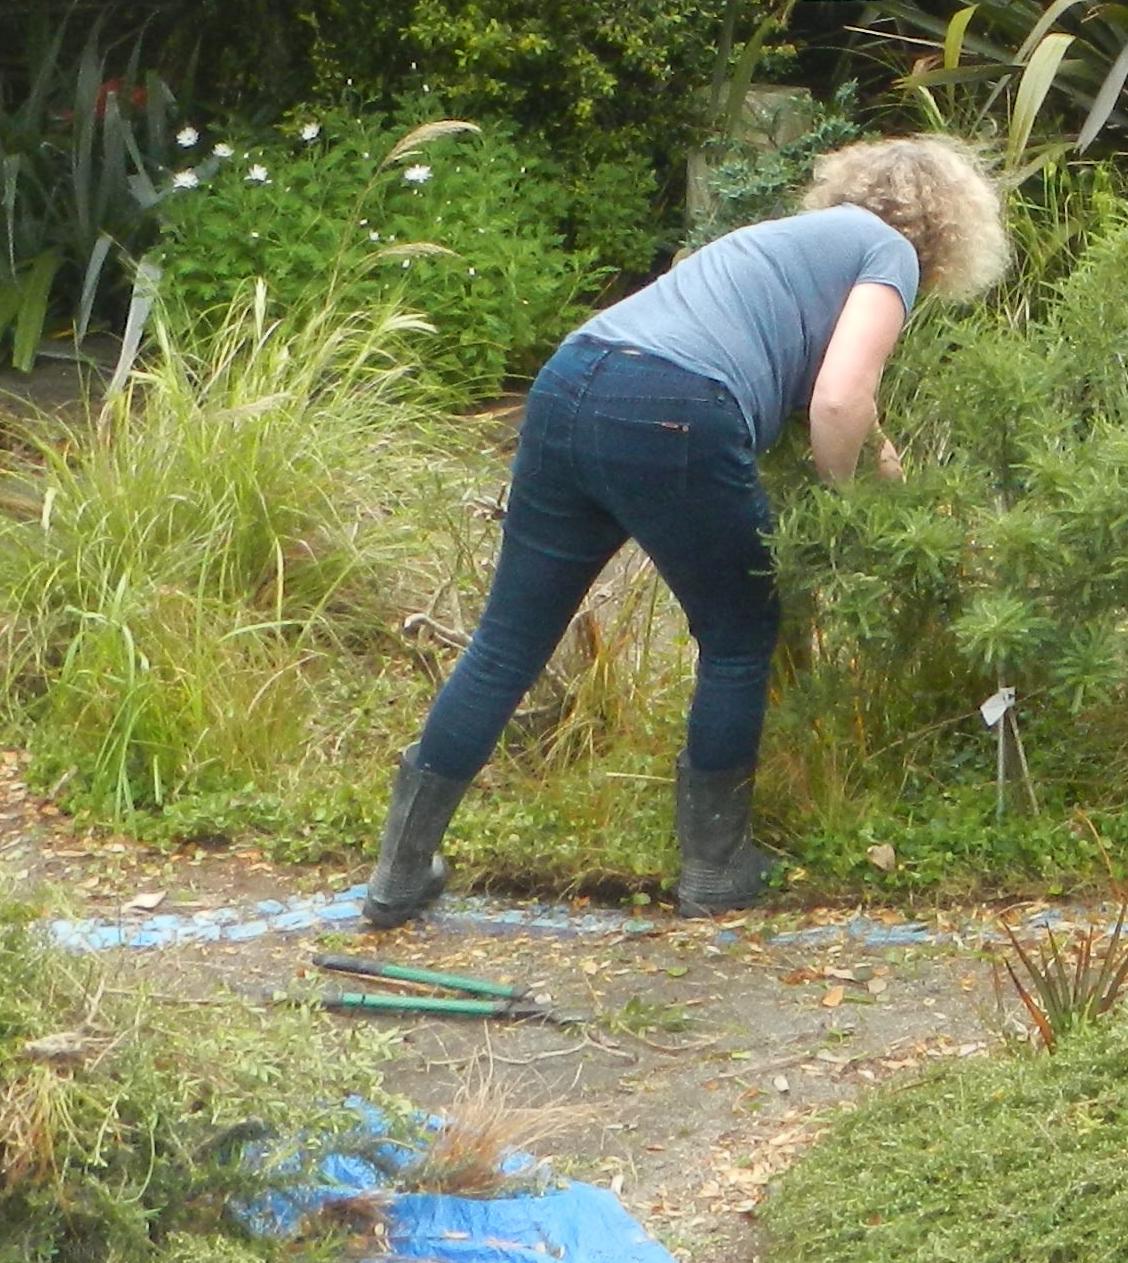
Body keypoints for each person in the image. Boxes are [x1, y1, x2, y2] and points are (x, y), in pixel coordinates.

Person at [362, 136, 1010, 927]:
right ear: (947, 227)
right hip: (672, 407)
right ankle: (715, 868)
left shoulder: (782, 246)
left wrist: (885, 471)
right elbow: (839, 399)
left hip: (570, 383)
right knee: (740, 635)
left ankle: (399, 871)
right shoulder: (889, 253)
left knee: (508, 642)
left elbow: (837, 401)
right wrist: (848, 509)